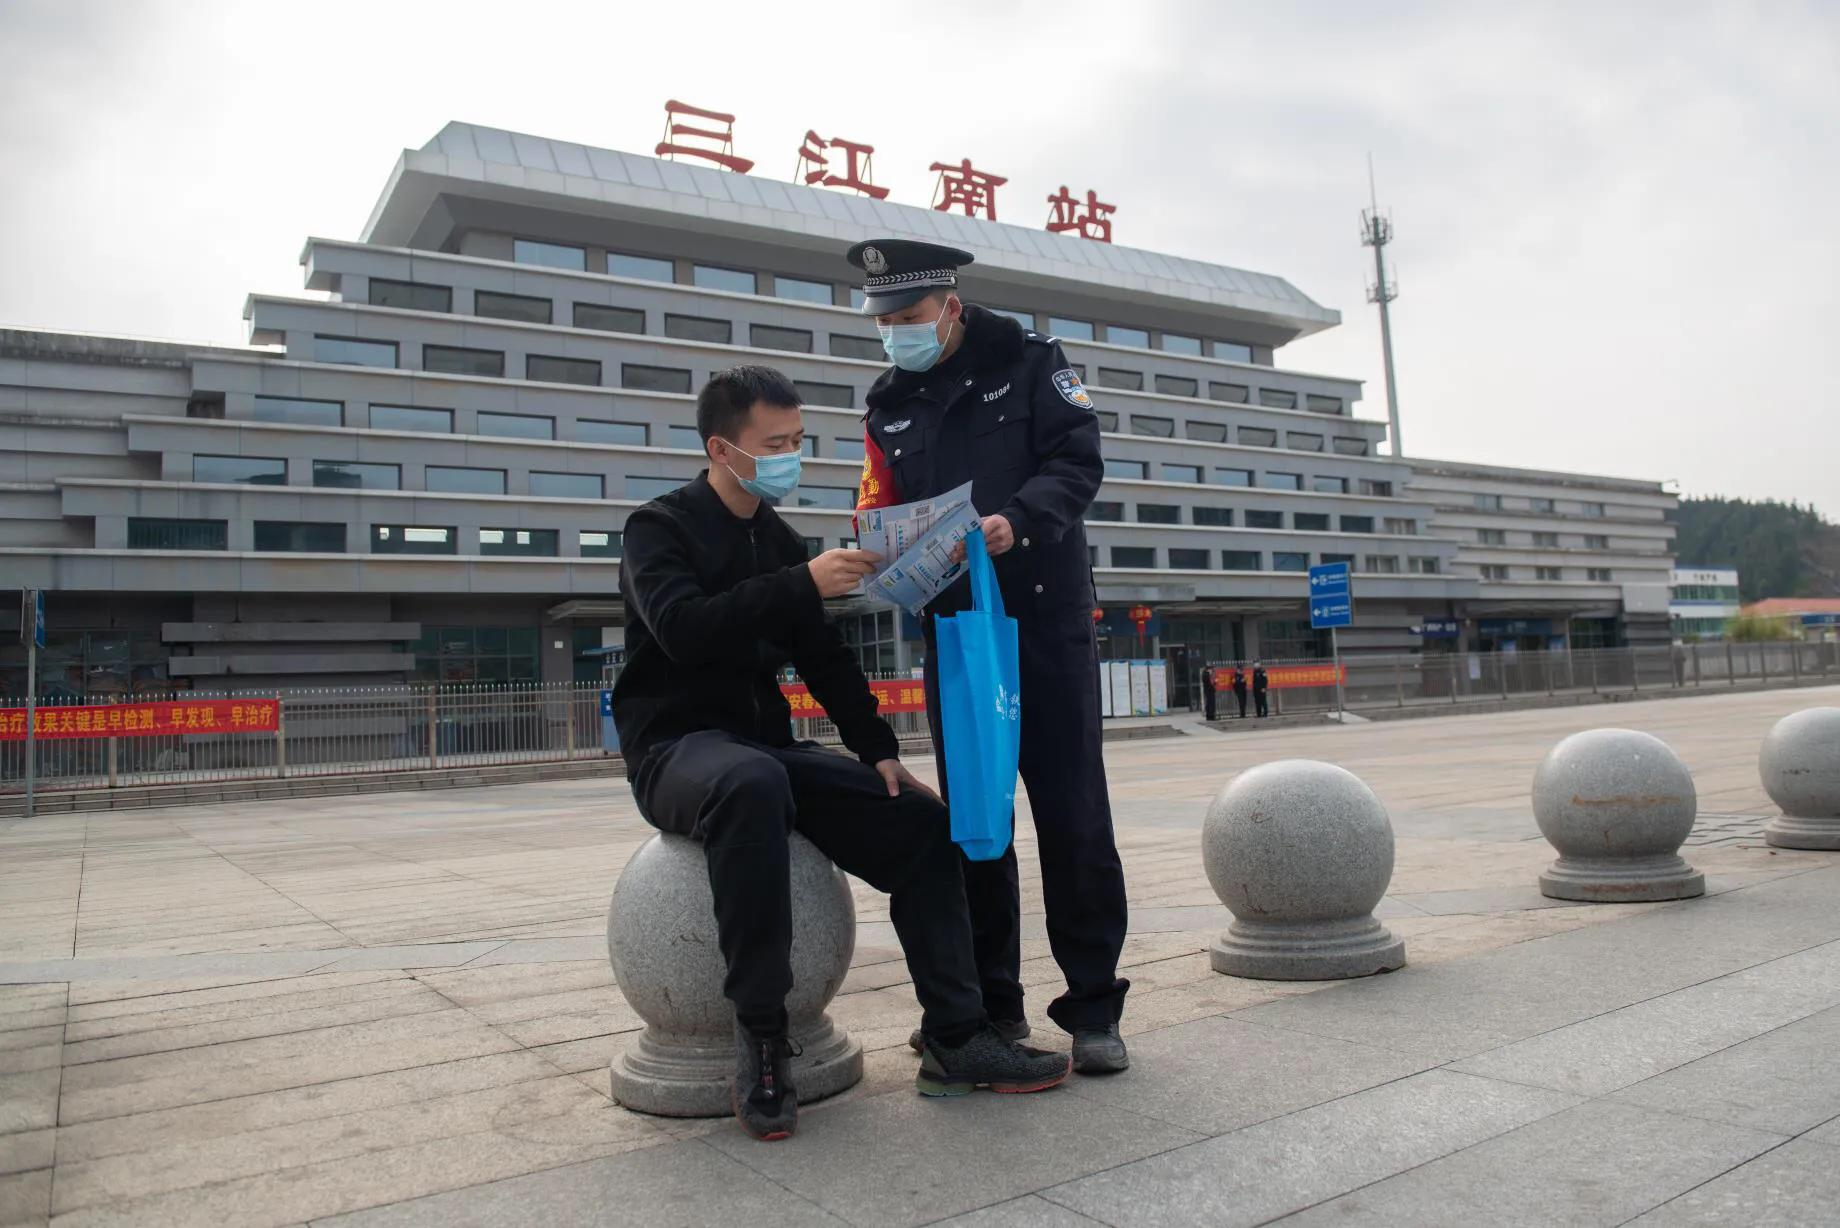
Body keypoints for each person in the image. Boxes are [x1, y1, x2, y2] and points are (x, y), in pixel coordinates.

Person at [614, 366, 1071, 1142]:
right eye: (775, 444)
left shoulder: (778, 538)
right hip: (675, 750)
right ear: (723, 449)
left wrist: (879, 752)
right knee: (752, 784)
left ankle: (956, 1036)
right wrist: (801, 581)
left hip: (761, 747)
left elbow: (823, 659)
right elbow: (683, 630)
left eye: (798, 440)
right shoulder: (658, 528)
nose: (791, 456)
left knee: (923, 822)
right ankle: (761, 1042)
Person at [848, 238, 1131, 1075]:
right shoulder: (887, 409)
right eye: (885, 322)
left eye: (909, 318)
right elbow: (877, 500)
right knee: (978, 823)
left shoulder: (1034, 365)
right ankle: (991, 1011)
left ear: (950, 310)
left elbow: (1079, 461)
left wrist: (1019, 520)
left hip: (1044, 627)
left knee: (1074, 815)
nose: (897, 333)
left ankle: (1093, 1008)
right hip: (957, 632)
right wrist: (872, 544)